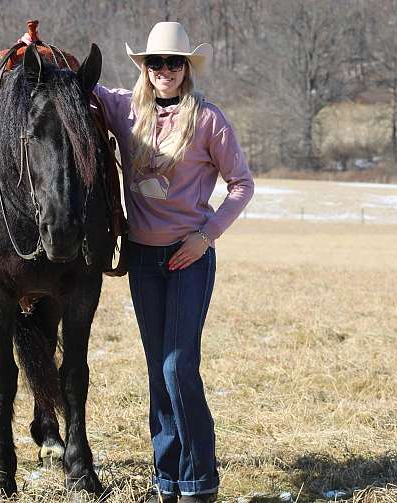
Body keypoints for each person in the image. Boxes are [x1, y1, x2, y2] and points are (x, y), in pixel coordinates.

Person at [94, 22, 254, 503]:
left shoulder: (209, 121)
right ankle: (168, 481)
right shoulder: (123, 108)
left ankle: (199, 481)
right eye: (156, 62)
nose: (165, 71)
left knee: (177, 367)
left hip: (189, 257)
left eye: (174, 63)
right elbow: (76, 82)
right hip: (142, 258)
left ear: (187, 68)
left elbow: (242, 185)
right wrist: (32, 49)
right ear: (144, 67)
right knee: (155, 368)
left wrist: (206, 236)